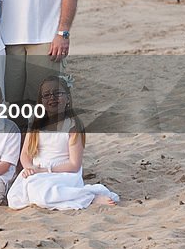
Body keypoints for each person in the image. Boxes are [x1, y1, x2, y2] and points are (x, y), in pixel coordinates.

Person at [7, 76, 119, 210]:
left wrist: (46, 170)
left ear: (67, 98)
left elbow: (74, 164)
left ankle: (89, 197)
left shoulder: (72, 125)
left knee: (43, 195)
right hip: (37, 171)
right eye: (46, 95)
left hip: (64, 172)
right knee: (15, 198)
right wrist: (29, 168)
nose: (52, 98)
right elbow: (25, 153)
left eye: (57, 93)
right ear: (41, 101)